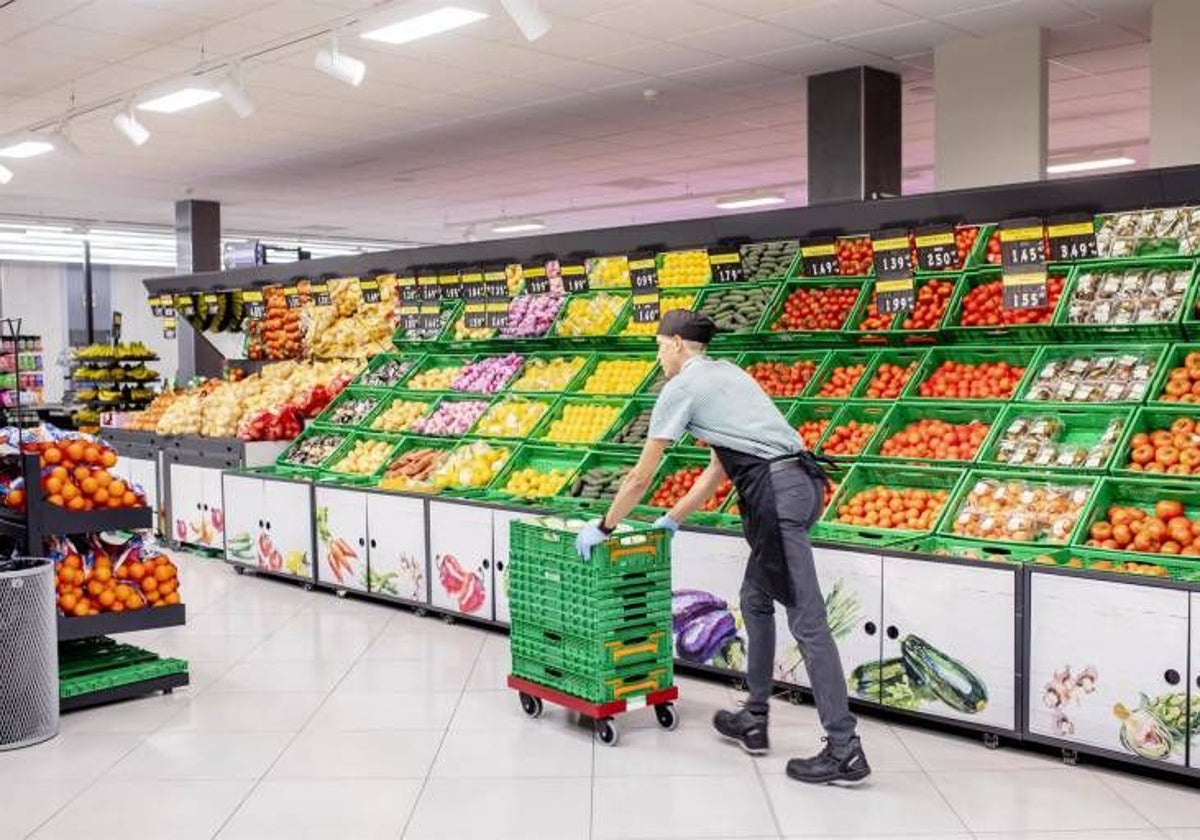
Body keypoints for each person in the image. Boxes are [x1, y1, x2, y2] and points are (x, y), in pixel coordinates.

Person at [575, 310, 870, 785]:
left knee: (808, 622)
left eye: (657, 347)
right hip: (799, 486)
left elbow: (640, 475)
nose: (657, 357)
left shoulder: (682, 387)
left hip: (776, 497)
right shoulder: (728, 374)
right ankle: (755, 717)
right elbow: (717, 470)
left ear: (674, 344)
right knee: (755, 599)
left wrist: (605, 527)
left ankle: (845, 748)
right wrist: (673, 519)